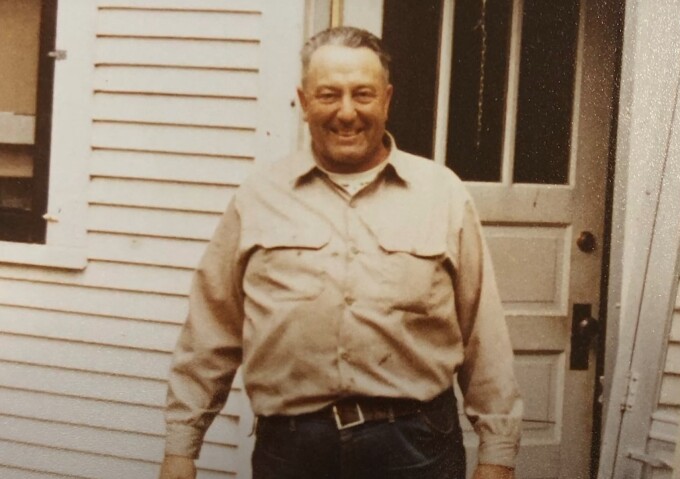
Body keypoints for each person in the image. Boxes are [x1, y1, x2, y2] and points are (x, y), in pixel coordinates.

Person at [159, 26, 522, 479]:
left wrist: (498, 453)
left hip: (416, 448)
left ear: (386, 100)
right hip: (291, 451)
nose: (346, 113)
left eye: (363, 94)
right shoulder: (258, 198)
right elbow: (210, 332)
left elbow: (482, 334)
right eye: (329, 95)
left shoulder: (442, 194)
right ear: (304, 101)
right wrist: (181, 448)